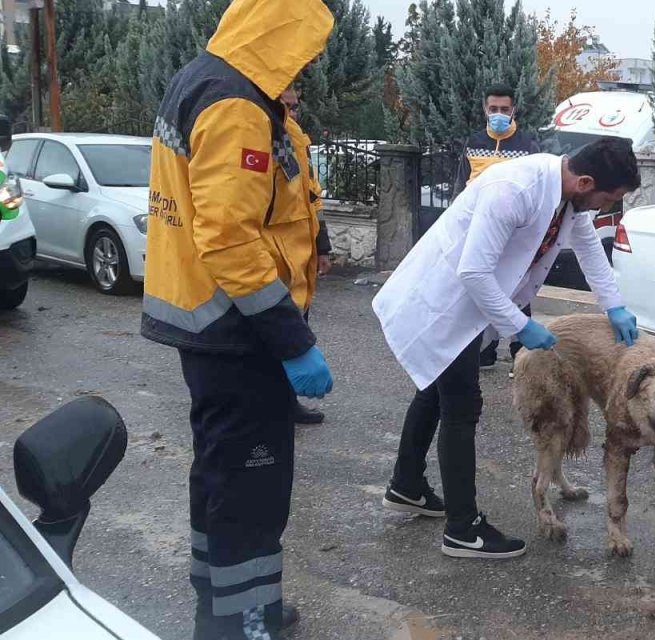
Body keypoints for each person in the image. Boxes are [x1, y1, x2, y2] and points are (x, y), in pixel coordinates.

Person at [142, 2, 335, 638]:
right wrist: (292, 340)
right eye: (302, 51)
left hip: (213, 327)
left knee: (221, 477)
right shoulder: (235, 103)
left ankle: (226, 606)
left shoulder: (213, 82)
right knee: (251, 488)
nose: (305, 65)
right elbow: (227, 235)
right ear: (277, 36)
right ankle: (241, 621)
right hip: (237, 333)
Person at [374, 137, 641, 560]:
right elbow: (474, 272)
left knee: (432, 390)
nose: (605, 207)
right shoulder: (515, 190)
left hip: (471, 305)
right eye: (608, 198)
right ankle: (463, 529)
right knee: (461, 407)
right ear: (586, 181)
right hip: (446, 301)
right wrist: (522, 326)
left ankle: (405, 485)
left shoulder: (570, 196)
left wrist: (615, 306)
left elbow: (589, 250)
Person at [453, 84, 542, 372]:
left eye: (505, 110)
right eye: (494, 109)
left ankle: (521, 354)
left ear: (513, 110)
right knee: (478, 291)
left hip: (513, 234)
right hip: (476, 230)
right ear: (485, 109)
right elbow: (460, 187)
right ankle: (485, 352)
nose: (499, 114)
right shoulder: (473, 142)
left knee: (516, 292)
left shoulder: (528, 146)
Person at [280, 83, 331, 426]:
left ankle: (287, 403)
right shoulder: (265, 140)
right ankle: (271, 405)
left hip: (300, 259)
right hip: (272, 263)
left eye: (296, 107)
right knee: (278, 333)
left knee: (298, 326)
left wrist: (322, 248)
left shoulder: (298, 145)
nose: (292, 112)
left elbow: (313, 200)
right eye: (286, 105)